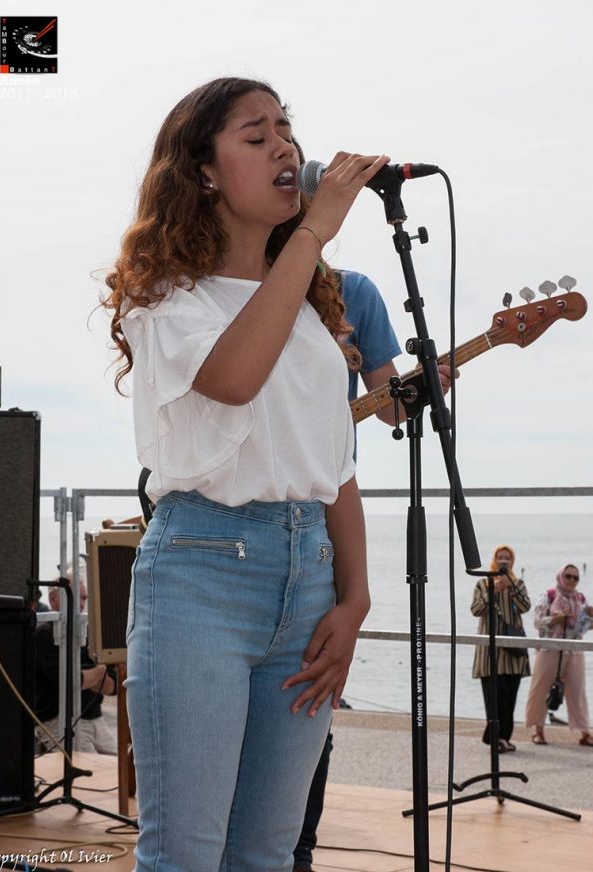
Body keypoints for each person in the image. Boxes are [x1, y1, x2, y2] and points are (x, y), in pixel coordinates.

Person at [104, 76, 386, 872]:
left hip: (310, 581)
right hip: (201, 573)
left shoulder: (312, 307)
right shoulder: (166, 296)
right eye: (256, 136)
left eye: (286, 130)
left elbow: (334, 467)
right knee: (186, 853)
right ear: (202, 172)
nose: (284, 148)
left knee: (268, 851)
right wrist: (313, 234)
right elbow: (232, 377)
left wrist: (355, 600)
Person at [292, 269, 456, 871]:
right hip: (231, 515)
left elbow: (390, 408)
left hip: (321, 513)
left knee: (311, 699)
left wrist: (422, 389)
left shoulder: (352, 292)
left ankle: (298, 852)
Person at [35, 564, 117, 755]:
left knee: (125, 767)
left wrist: (86, 677)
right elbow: (71, 682)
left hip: (95, 719)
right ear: (53, 599)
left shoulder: (88, 633)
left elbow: (112, 687)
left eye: (84, 598)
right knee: (90, 769)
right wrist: (98, 673)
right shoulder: (44, 634)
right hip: (58, 720)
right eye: (75, 597)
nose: (80, 604)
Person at [471, 544, 531, 752]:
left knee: (510, 697)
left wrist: (511, 588)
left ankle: (504, 737)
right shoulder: (483, 584)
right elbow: (476, 610)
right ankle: (495, 738)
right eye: (500, 557)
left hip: (512, 652)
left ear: (512, 562)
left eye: (507, 558)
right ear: (494, 560)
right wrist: (493, 590)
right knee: (494, 698)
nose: (503, 561)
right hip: (490, 653)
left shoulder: (518, 584)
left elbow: (525, 607)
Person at [525, 563, 593, 746]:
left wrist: (591, 616)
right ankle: (538, 730)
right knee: (540, 689)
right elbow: (538, 621)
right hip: (550, 648)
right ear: (561, 576)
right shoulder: (548, 596)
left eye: (575, 577)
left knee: (577, 691)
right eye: (568, 576)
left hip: (574, 649)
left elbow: (584, 626)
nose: (571, 580)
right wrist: (556, 619)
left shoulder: (580, 599)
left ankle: (584, 732)